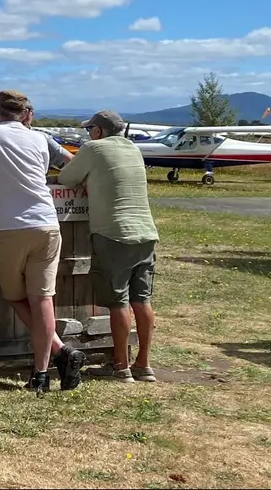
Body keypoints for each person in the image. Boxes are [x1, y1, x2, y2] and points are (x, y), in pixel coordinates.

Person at [0, 90, 87, 394]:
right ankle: (45, 370)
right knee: (43, 299)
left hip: (7, 227)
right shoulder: (41, 138)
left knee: (17, 297)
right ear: (27, 114)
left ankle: (61, 353)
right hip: (47, 223)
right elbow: (70, 165)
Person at [55, 110, 159, 383]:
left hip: (113, 234)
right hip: (146, 232)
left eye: (90, 129)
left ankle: (120, 365)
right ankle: (143, 364)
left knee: (117, 302)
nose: (88, 134)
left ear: (98, 131)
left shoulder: (93, 148)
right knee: (142, 300)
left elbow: (67, 178)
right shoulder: (133, 149)